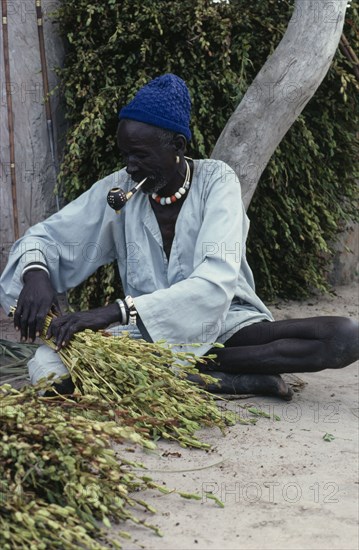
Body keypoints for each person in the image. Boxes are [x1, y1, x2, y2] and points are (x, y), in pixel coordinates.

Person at [0, 74, 358, 400]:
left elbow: (215, 283)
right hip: (147, 335)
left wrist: (113, 312)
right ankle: (223, 376)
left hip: (223, 321)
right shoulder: (120, 190)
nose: (130, 167)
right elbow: (48, 237)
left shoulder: (218, 182)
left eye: (140, 155)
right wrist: (36, 272)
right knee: (47, 366)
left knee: (345, 337)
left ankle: (197, 370)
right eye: (125, 155)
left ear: (178, 147)